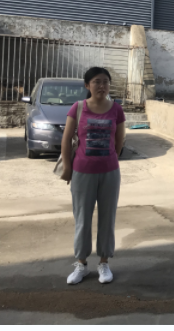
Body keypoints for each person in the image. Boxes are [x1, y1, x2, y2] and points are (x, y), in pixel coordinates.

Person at [61, 67, 126, 285]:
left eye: (105, 81)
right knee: (82, 218)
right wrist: (68, 167)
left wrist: (110, 160)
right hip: (82, 172)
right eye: (97, 81)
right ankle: (81, 264)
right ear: (87, 85)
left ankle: (104, 263)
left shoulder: (116, 109)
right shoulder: (78, 108)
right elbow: (66, 139)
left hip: (110, 173)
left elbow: (119, 141)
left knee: (108, 218)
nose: (102, 86)